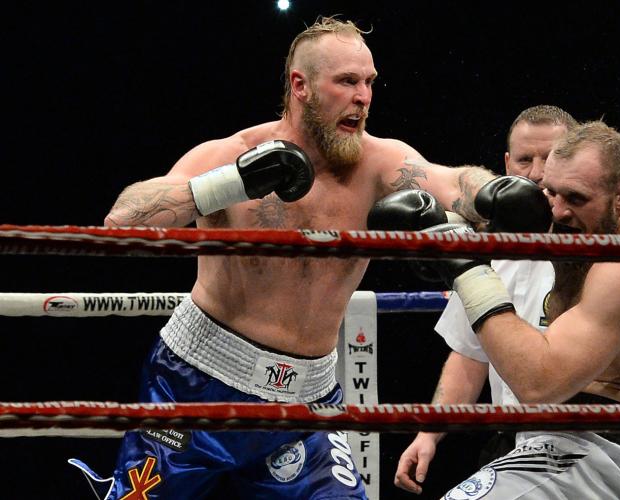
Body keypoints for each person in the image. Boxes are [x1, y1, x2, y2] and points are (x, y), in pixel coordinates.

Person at [70, 16, 504, 500]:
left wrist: (501, 193)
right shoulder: (233, 153)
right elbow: (122, 221)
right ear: (301, 85)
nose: (363, 97)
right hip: (191, 388)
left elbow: (457, 183)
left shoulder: (381, 164)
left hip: (306, 405)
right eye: (346, 82)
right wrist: (233, 181)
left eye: (369, 82)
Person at [394, 120, 620, 499]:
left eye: (575, 198)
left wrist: (466, 268)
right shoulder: (593, 229)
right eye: (550, 193)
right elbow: (470, 355)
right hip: (561, 439)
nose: (557, 212)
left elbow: (539, 385)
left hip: (600, 450)